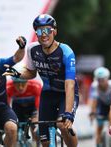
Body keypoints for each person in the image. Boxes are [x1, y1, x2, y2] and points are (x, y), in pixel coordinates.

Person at [4, 14, 79, 147]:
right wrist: (15, 73)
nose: (43, 34)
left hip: (65, 93)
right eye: (39, 31)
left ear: (54, 31)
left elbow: (70, 85)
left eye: (47, 30)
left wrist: (68, 113)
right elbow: (31, 73)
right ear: (36, 34)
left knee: (62, 125)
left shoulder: (66, 52)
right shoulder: (32, 49)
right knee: (44, 141)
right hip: (48, 94)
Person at [6, 76, 42, 143]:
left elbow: (38, 107)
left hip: (32, 107)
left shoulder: (35, 85)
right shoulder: (8, 86)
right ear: (13, 83)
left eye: (23, 83)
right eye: (17, 84)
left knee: (34, 124)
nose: (20, 87)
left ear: (27, 81)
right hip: (17, 107)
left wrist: (36, 117)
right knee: (15, 127)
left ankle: (36, 142)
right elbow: (6, 106)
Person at [88, 67, 111, 147]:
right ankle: (98, 143)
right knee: (99, 127)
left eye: (102, 80)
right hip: (102, 105)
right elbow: (93, 100)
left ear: (107, 79)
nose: (100, 82)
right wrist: (92, 112)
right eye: (98, 80)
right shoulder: (94, 86)